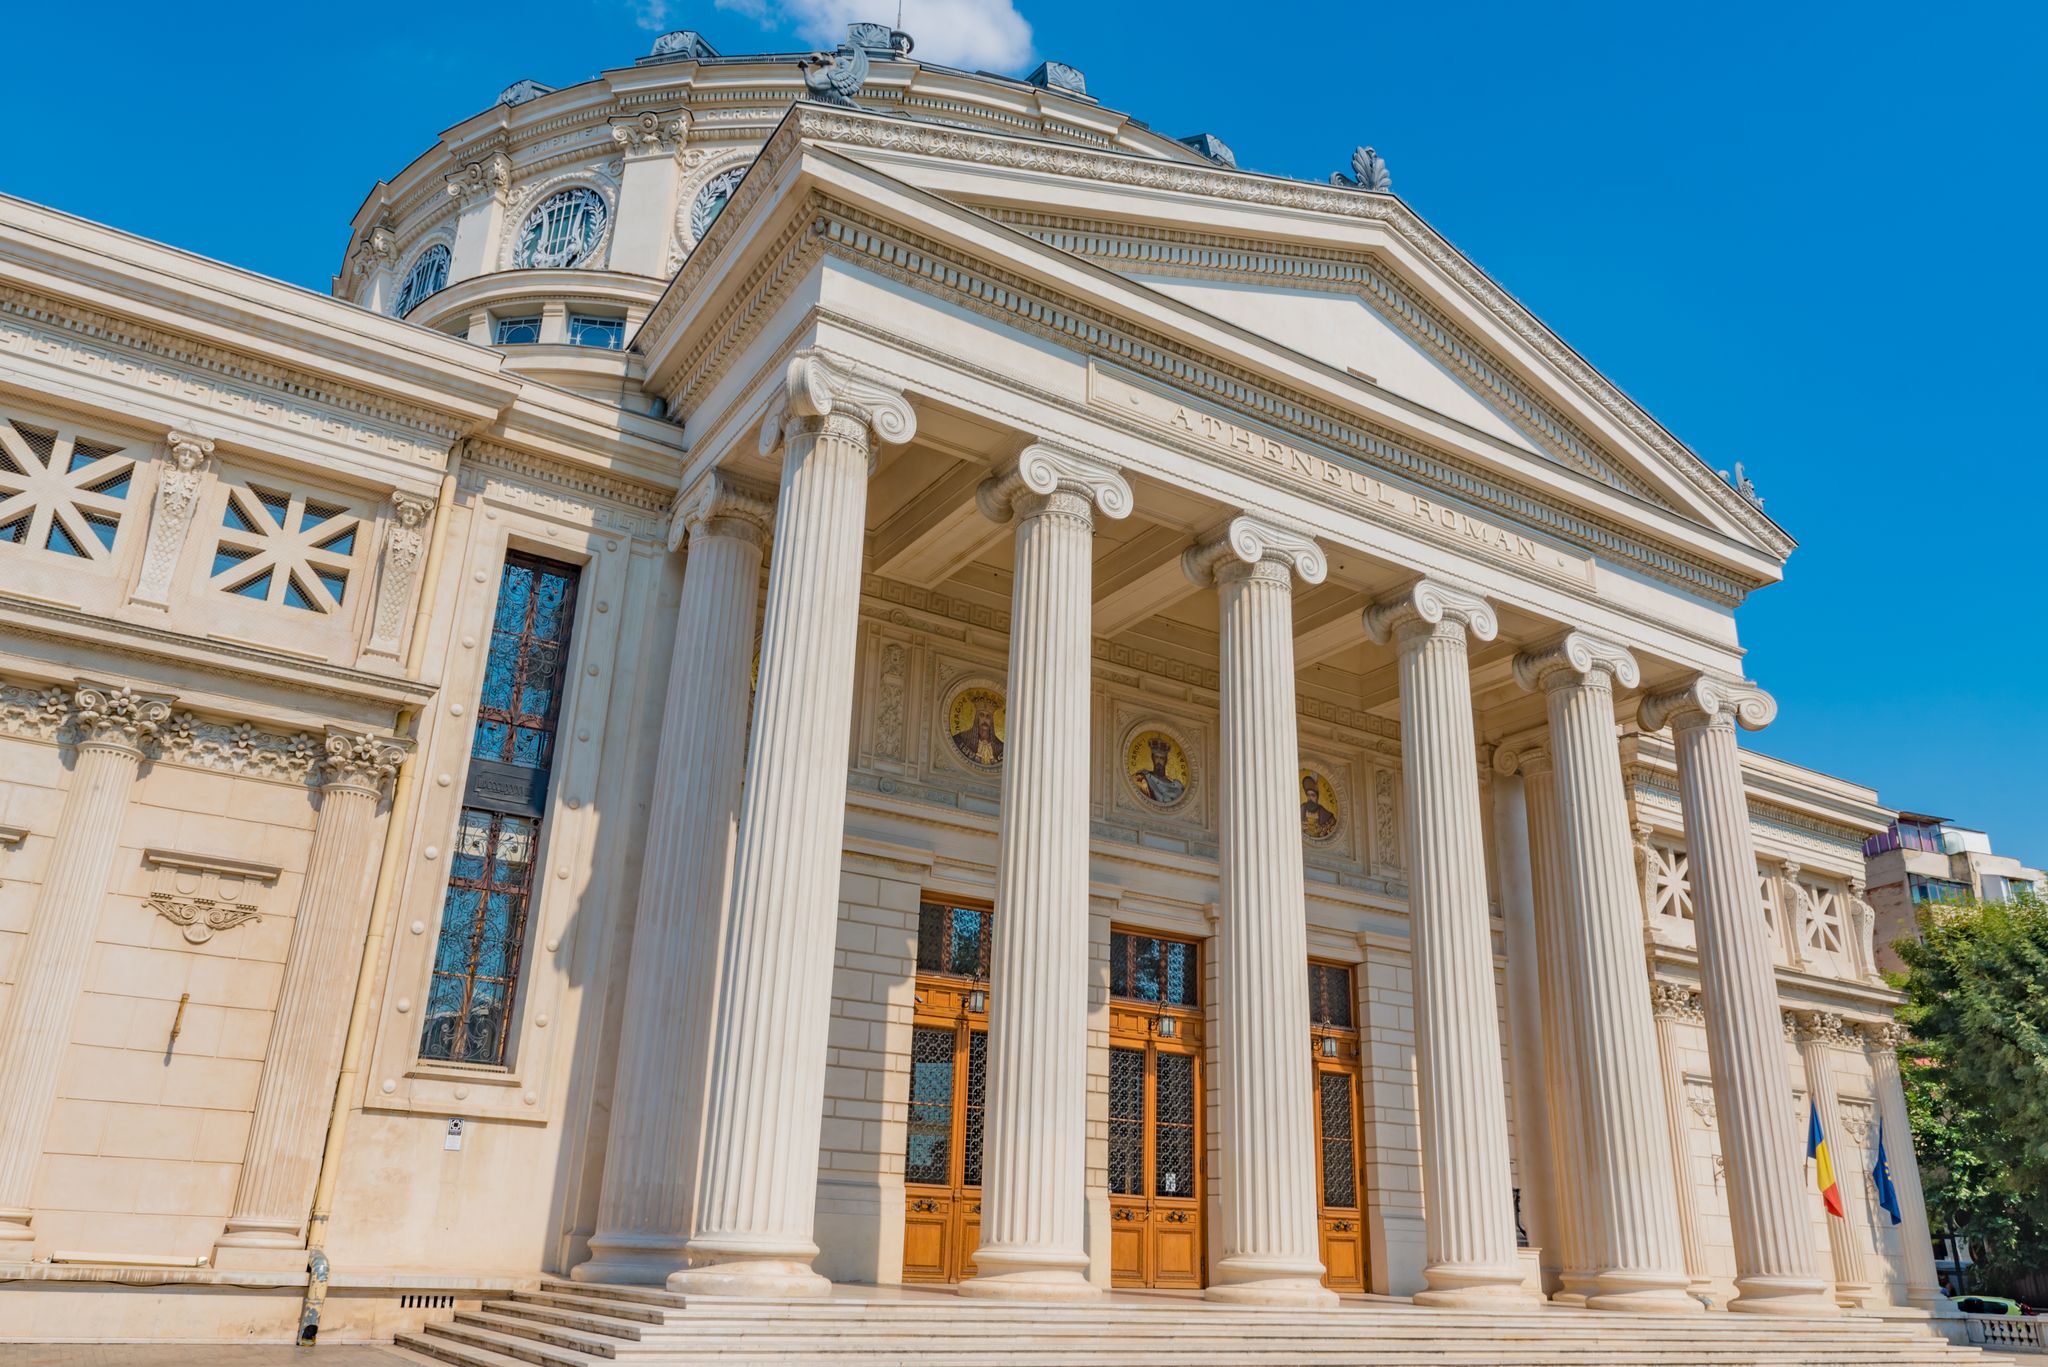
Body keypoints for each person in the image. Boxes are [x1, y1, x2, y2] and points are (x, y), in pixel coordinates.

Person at [951, 694, 1003, 767]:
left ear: (991, 721)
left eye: (988, 717)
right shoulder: (960, 739)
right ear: (976, 718)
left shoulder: (1001, 747)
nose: (985, 720)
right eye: (982, 715)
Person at [1134, 735, 1184, 804]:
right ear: (1152, 759)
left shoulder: (1177, 785)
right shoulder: (1143, 778)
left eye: (1162, 758)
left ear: (1166, 761)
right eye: (1156, 757)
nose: (1159, 761)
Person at [1300, 772, 1337, 839]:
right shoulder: (1302, 808)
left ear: (1317, 797)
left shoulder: (1321, 810)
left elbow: (1333, 822)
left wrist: (1324, 829)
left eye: (1313, 795)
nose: (1310, 798)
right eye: (1308, 795)